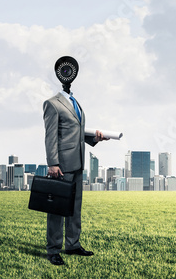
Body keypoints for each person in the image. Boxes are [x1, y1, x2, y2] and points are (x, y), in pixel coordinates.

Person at [43, 56, 109, 266]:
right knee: (57, 209)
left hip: (78, 162)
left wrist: (94, 138)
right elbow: (51, 135)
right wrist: (53, 163)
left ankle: (72, 245)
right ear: (60, 76)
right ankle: (53, 249)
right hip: (61, 165)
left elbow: (76, 131)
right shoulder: (52, 104)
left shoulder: (75, 102)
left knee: (74, 207)